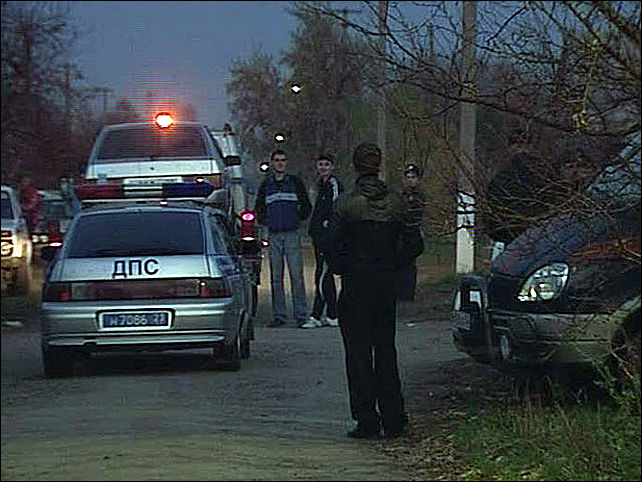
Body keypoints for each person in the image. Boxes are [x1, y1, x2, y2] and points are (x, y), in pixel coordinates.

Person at [326, 143, 422, 439]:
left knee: (358, 354)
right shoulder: (396, 203)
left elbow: (330, 245)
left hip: (355, 285)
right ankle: (394, 418)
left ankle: (367, 419)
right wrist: (394, 264)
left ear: (356, 167)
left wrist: (343, 267)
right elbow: (415, 243)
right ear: (379, 166)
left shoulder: (345, 204)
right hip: (384, 285)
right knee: (385, 350)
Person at [255, 149, 312, 328]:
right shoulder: (266, 185)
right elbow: (259, 208)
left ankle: (301, 314)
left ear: (286, 163)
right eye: (277, 160)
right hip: (274, 235)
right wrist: (267, 222)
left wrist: (296, 219)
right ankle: (279, 315)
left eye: (283, 160)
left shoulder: (295, 182)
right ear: (272, 163)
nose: (280, 163)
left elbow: (306, 206)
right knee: (276, 277)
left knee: (296, 276)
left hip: (292, 233)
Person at [303, 154, 343, 329]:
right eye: (321, 164)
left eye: (327, 164)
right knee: (324, 275)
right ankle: (331, 314)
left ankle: (318, 315)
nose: (323, 168)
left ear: (332, 167)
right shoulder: (319, 185)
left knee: (322, 274)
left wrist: (330, 230)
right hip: (318, 235)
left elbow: (336, 208)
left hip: (328, 236)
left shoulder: (334, 185)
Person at [397, 163, 426, 301]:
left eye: (413, 177)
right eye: (408, 177)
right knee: (400, 264)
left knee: (410, 265)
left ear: (418, 179)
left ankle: (408, 293)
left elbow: (416, 214)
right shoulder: (401, 195)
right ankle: (400, 292)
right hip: (401, 233)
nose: (410, 180)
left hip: (413, 232)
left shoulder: (419, 196)